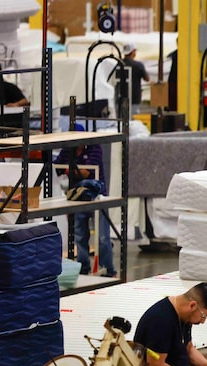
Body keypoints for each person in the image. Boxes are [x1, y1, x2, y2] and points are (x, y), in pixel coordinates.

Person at [52, 126, 116, 278]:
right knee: (80, 236)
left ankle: (109, 269)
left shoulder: (94, 147)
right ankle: (83, 267)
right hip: (78, 198)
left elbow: (87, 172)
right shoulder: (68, 150)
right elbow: (56, 167)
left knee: (103, 237)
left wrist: (68, 170)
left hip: (97, 197)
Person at [121, 43, 150, 114]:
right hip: (134, 98)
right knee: (133, 121)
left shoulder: (118, 64)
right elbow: (147, 79)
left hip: (121, 97)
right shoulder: (138, 65)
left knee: (122, 119)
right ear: (133, 52)